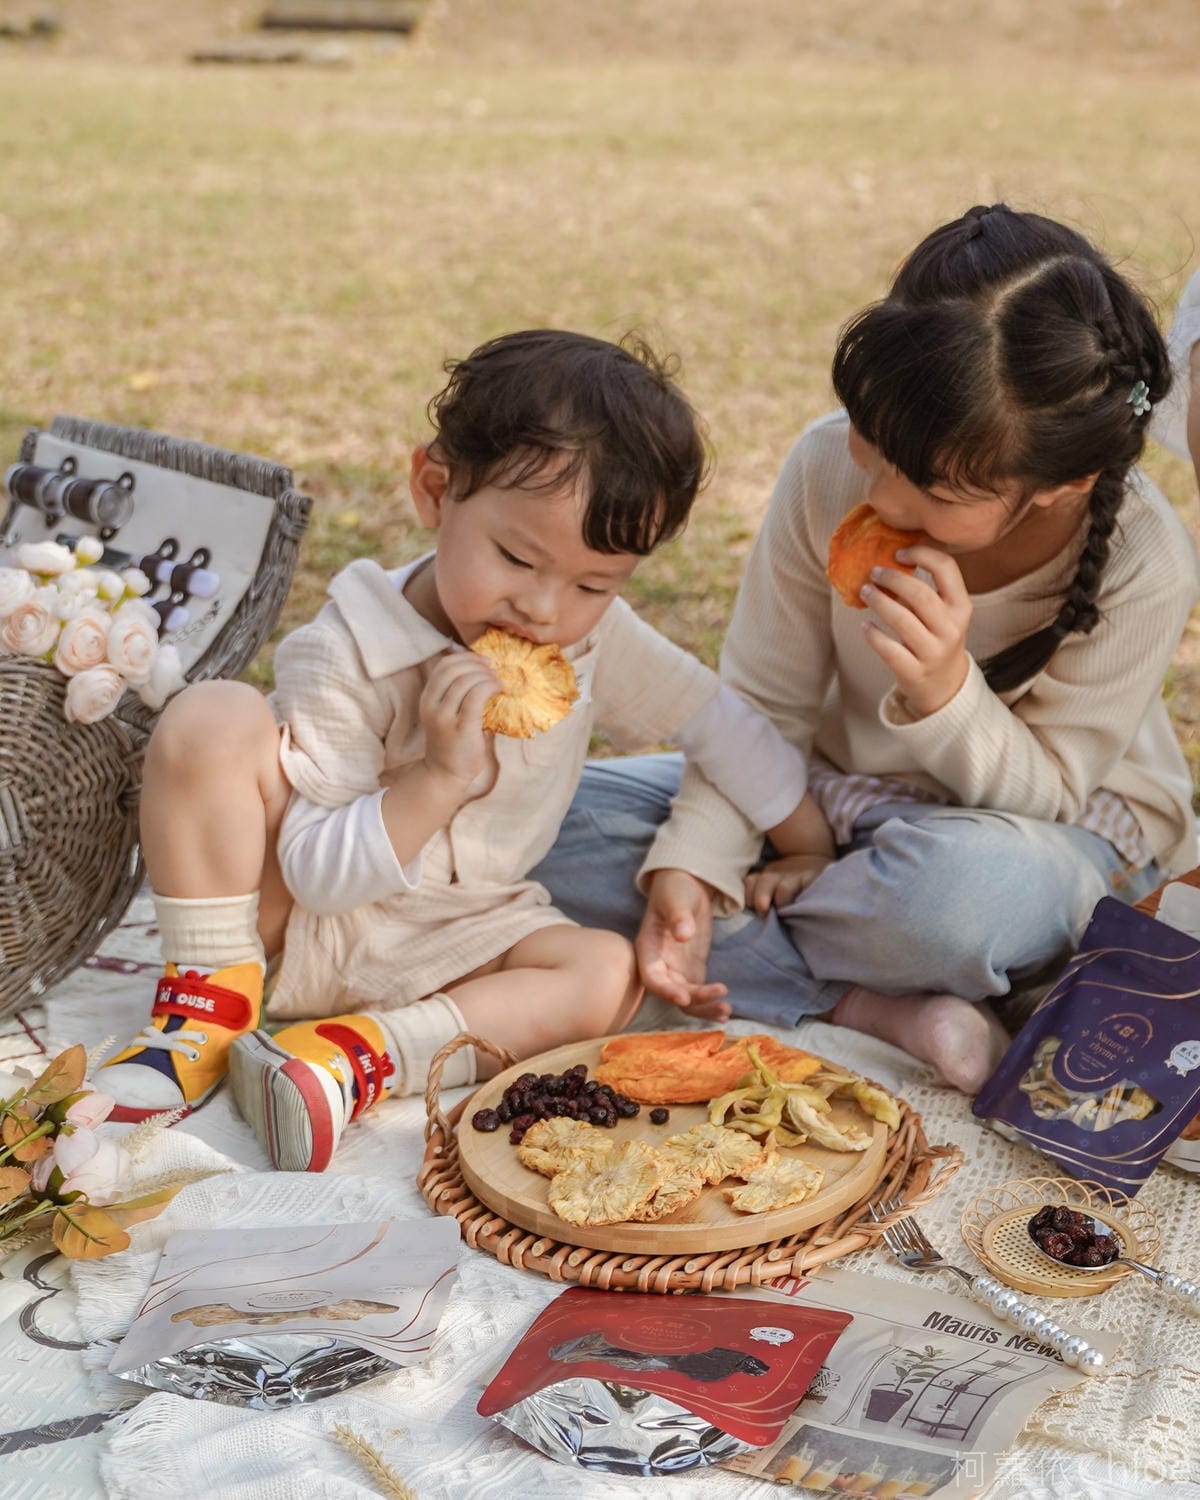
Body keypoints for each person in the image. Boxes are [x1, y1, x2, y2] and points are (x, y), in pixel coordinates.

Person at [98, 328, 833, 1170]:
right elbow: (315, 873)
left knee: (602, 972)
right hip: (293, 929)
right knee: (211, 718)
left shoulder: (598, 646)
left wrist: (805, 839)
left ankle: (349, 1058)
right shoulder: (351, 646)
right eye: (517, 557)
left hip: (462, 934)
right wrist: (439, 779)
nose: (546, 609)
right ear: (435, 489)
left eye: (594, 584)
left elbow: (722, 724)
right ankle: (201, 1014)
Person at [531, 206, 1200, 1094]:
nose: (879, 495)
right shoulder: (823, 469)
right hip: (815, 802)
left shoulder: (1144, 560)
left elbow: (1053, 796)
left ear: (1063, 484)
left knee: (954, 904)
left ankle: (850, 956)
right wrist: (697, 859)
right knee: (540, 821)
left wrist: (946, 690)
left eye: (929, 486)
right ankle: (873, 1002)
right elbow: (761, 706)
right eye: (871, 441)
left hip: (1033, 835)